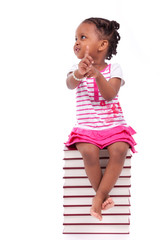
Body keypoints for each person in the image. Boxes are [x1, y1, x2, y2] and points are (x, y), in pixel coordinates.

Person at [65, 17, 136, 221]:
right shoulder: (74, 68)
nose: (76, 42)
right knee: (88, 151)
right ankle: (102, 196)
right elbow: (70, 84)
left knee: (120, 149)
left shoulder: (114, 69)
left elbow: (110, 94)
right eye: (75, 38)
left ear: (103, 44)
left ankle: (97, 199)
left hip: (113, 125)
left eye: (83, 37)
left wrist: (97, 75)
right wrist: (79, 73)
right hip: (87, 126)